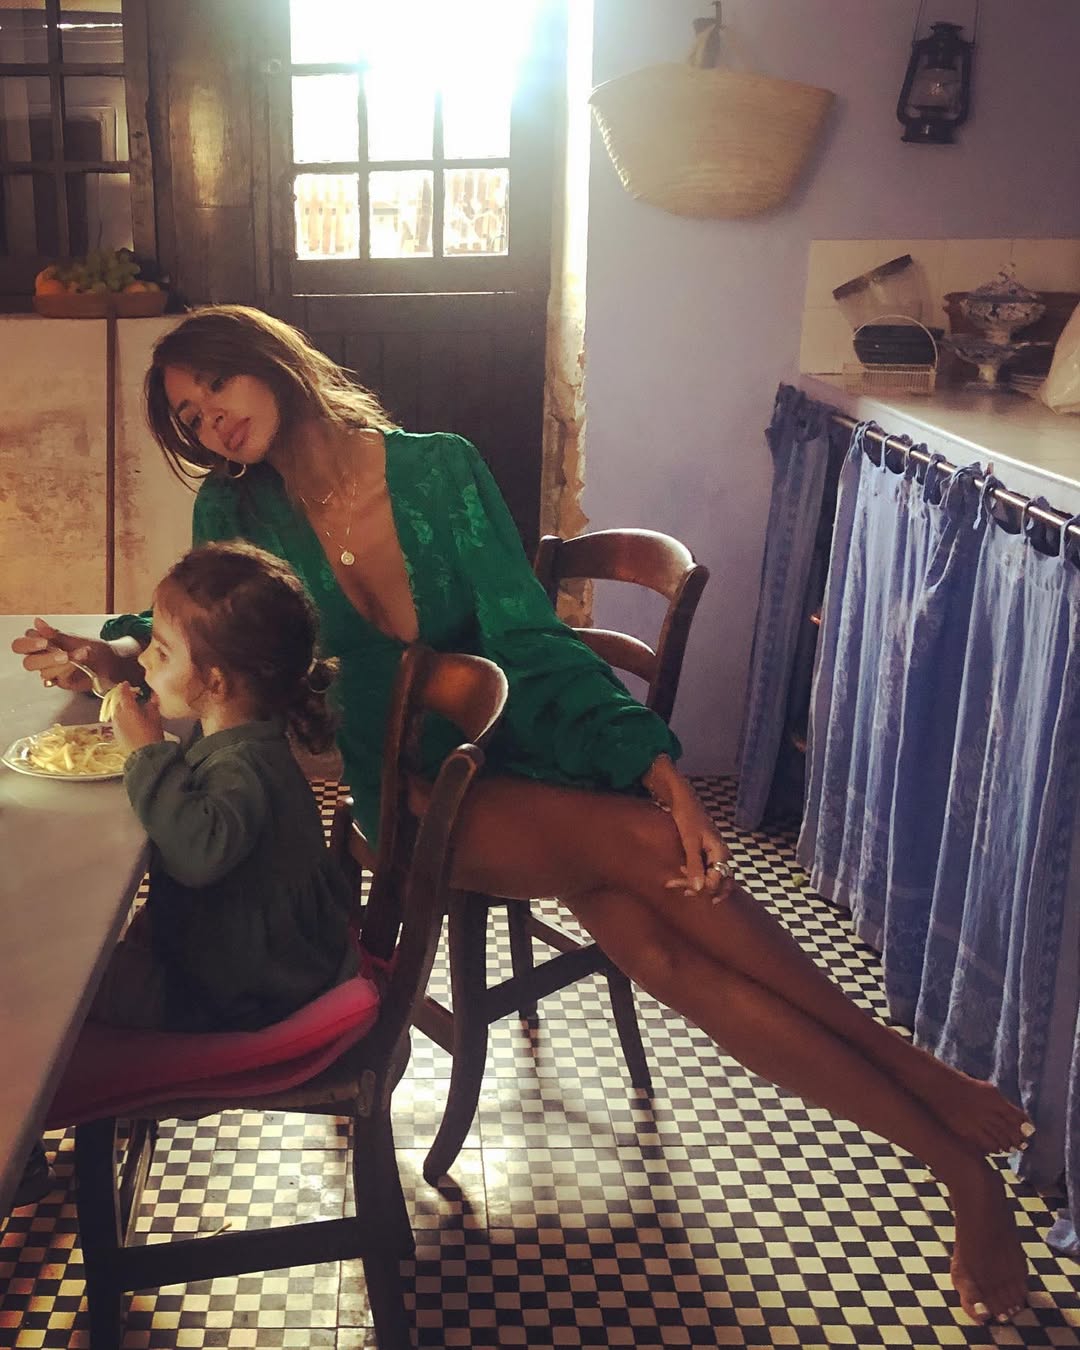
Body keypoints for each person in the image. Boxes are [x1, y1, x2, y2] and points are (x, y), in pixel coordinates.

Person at [12, 305, 1032, 1323]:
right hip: (411, 795)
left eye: (214, 388)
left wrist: (656, 766)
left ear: (270, 362)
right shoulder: (238, 510)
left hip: (519, 753)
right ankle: (920, 1091)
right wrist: (111, 653)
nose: (211, 421)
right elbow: (198, 625)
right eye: (189, 417)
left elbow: (531, 638)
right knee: (655, 858)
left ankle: (952, 1161)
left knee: (663, 943)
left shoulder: (438, 468)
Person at [87, 539, 357, 1034]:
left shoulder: (245, 767)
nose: (144, 662)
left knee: (69, 991)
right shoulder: (244, 738)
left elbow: (198, 852)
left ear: (215, 682)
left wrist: (147, 753)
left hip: (245, 996)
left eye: (162, 652)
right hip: (254, 964)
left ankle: (91, 1081)